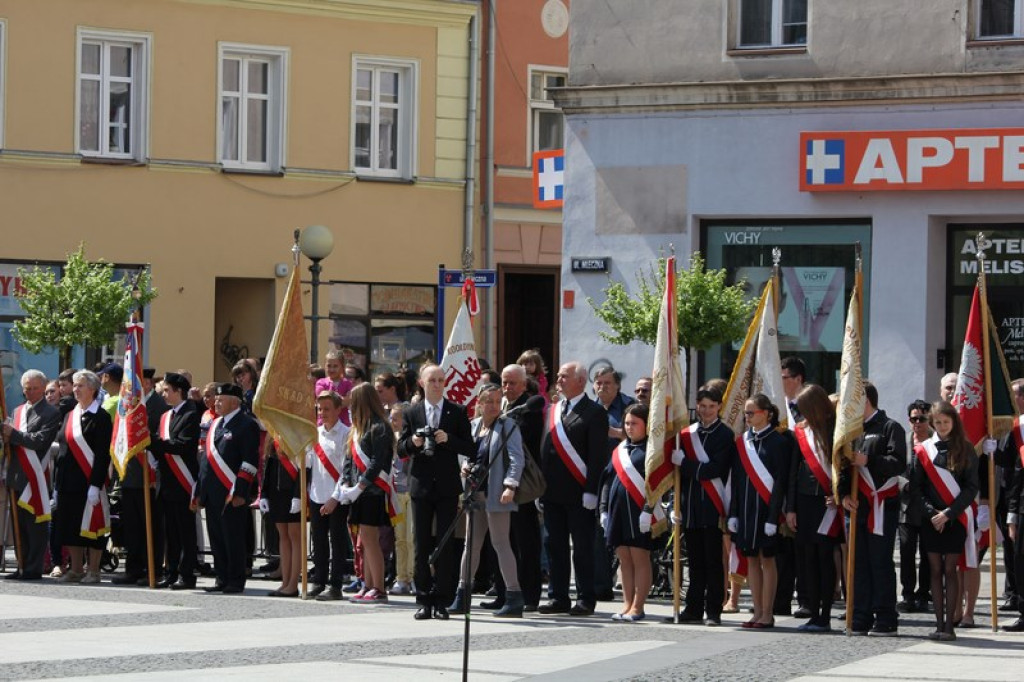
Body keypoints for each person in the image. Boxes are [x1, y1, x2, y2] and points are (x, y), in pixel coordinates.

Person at [398, 364, 474, 620]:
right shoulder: (412, 412)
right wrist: (414, 443)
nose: (437, 384)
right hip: (420, 485)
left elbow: (471, 448)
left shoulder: (457, 411)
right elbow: (400, 448)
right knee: (421, 544)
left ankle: (443, 599)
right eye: (432, 380)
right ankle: (423, 599)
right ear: (422, 382)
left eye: (441, 380)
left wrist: (448, 440)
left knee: (445, 544)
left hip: (446, 487)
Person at [538, 361, 610, 616]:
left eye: (564, 376)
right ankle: (558, 596)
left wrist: (592, 490)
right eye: (558, 376)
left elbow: (598, 457)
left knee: (582, 548)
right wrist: (540, 487)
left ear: (580, 381)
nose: (558, 379)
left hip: (580, 493)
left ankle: (585, 597)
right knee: (554, 546)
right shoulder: (554, 410)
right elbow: (545, 450)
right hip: (553, 492)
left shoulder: (594, 412)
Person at [449, 384, 525, 617]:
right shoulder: (473, 427)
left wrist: (510, 485)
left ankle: (514, 596)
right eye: (488, 401)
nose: (493, 405)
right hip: (474, 493)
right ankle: (463, 595)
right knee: (471, 545)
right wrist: (463, 465)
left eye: (496, 400)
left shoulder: (507, 426)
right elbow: (465, 453)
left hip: (497, 493)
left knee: (501, 544)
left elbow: (516, 459)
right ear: (479, 404)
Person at [838, 381, 907, 636]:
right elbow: (842, 467)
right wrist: (843, 494)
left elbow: (898, 463)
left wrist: (870, 460)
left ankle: (886, 616)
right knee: (858, 563)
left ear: (865, 400)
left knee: (880, 562)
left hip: (882, 506)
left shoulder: (891, 427)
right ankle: (860, 614)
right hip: (857, 507)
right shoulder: (851, 431)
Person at [910, 401, 978, 642]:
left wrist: (948, 513)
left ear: (954, 422)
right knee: (934, 570)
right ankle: (938, 623)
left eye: (946, 422)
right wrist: (932, 513)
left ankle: (950, 625)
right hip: (931, 519)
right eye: (937, 422)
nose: (941, 426)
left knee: (950, 569)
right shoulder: (923, 450)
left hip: (955, 517)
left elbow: (971, 488)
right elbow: (916, 488)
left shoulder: (966, 449)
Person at [669, 383, 733, 626]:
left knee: (713, 561)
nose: (706, 411)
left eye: (711, 406)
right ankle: (693, 607)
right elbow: (682, 478)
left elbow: (714, 469)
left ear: (719, 407)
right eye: (702, 406)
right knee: (694, 561)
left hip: (713, 505)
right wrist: (677, 504)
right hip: (692, 505)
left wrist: (685, 463)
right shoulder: (686, 434)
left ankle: (714, 609)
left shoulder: (725, 434)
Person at [327, 382, 395, 604]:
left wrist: (362, 485)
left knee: (370, 540)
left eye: (353, 403)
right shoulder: (357, 429)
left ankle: (379, 587)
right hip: (356, 493)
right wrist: (347, 483)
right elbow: (348, 461)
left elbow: (378, 462)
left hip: (372, 492)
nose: (349, 407)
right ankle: (368, 584)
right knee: (363, 542)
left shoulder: (380, 427)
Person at [729, 394, 790, 629]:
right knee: (751, 559)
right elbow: (736, 479)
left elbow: (780, 482)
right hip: (746, 510)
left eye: (751, 412)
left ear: (767, 413)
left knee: (768, 559)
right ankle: (756, 610)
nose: (747, 416)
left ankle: (767, 612)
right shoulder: (742, 441)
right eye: (746, 413)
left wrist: (774, 516)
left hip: (766, 511)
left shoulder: (779, 442)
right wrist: (733, 512)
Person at [195, 382, 260, 594]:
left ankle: (235, 579)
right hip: (212, 491)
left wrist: (241, 491)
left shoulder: (246, 424)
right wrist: (199, 490)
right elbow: (206, 459)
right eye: (216, 399)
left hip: (231, 491)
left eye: (221, 399)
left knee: (233, 537)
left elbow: (249, 461)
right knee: (216, 536)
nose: (216, 402)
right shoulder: (215, 424)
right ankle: (221, 577)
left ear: (235, 402)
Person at [786, 384, 841, 632]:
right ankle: (813, 610)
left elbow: (846, 467)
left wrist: (839, 494)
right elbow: (793, 473)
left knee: (825, 558)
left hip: (827, 504)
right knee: (808, 559)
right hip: (805, 501)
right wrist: (791, 508)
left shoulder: (836, 430)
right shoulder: (800, 433)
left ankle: (826, 614)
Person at [52, 370, 113, 584]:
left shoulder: (102, 417)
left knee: (93, 527)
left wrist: (96, 484)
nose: (75, 389)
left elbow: (103, 454)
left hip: (88, 481)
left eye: (80, 386)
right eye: (74, 385)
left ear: (93, 389)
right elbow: (63, 447)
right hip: (67, 481)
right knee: (70, 526)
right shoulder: (71, 414)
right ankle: (76, 569)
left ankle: (93, 570)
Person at [2, 370, 61, 581]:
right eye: (27, 388)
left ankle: (34, 567)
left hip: (35, 476)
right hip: (16, 475)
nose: (30, 392)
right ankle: (21, 564)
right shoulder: (17, 411)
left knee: (34, 526)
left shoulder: (51, 413)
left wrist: (14, 434)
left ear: (43, 388)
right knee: (18, 526)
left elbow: (40, 441)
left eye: (35, 388)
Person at [600, 403, 654, 622]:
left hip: (639, 510)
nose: (630, 428)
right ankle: (626, 603)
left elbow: (656, 483)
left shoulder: (652, 450)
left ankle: (638, 606)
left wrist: (648, 510)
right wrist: (603, 509)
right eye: (627, 423)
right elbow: (607, 480)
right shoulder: (620, 449)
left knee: (639, 556)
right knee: (623, 557)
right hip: (618, 510)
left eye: (635, 423)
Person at [149, 372, 201, 590]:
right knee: (170, 531)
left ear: (179, 391)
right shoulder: (165, 416)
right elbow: (163, 447)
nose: (164, 394)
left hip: (183, 480)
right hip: (167, 480)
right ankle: (171, 572)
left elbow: (182, 445)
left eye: (167, 390)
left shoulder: (191, 414)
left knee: (185, 531)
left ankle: (186, 574)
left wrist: (152, 441)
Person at [500, 363, 545, 611]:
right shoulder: (503, 405)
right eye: (504, 382)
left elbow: (525, 440)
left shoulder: (530, 406)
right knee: (503, 540)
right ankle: (505, 591)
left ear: (524, 384)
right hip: (500, 481)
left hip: (523, 484)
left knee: (526, 541)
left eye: (512, 383)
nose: (507, 387)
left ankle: (529, 595)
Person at [307, 391, 351, 601]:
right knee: (319, 541)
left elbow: (346, 470)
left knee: (337, 540)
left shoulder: (346, 434)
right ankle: (319, 580)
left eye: (327, 409)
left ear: (338, 410)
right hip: (317, 493)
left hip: (337, 496)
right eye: (319, 409)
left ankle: (335, 585)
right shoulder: (315, 433)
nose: (322, 413)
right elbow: (308, 464)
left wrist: (335, 497)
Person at [777, 356, 808, 619]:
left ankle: (806, 599)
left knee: (803, 548)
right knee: (780, 550)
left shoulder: (809, 408)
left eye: (784, 377)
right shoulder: (776, 407)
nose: (780, 382)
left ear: (798, 379)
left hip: (804, 485)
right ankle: (780, 600)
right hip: (778, 484)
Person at [898, 399, 933, 613]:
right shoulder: (903, 441)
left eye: (921, 419)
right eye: (914, 419)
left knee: (927, 553)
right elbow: (895, 468)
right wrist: (904, 484)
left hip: (928, 506)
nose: (917, 423)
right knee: (906, 551)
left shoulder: (934, 442)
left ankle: (924, 593)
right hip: (906, 506)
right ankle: (908, 593)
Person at [259, 436, 303, 597]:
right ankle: (285, 582)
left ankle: (293, 584)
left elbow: (304, 468)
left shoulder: (298, 431)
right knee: (283, 536)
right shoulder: (274, 433)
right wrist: (263, 493)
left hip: (292, 490)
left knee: (294, 536)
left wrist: (298, 494)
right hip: (276, 491)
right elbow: (268, 464)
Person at [315, 350, 354, 425]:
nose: (332, 369)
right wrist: (341, 399)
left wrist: (331, 398)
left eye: (335, 366)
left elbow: (347, 401)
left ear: (342, 367)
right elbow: (323, 402)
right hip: (324, 425)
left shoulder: (348, 384)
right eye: (329, 366)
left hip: (343, 425)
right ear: (325, 366)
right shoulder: (321, 383)